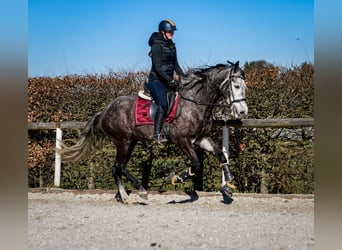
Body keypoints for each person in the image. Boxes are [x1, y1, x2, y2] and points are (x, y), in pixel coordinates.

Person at [145, 19, 185, 144]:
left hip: (168, 81)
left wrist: (185, 78)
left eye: (172, 31)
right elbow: (157, 67)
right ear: (162, 32)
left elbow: (176, 66)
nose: (171, 33)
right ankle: (157, 134)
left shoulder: (172, 46)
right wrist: (170, 80)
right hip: (156, 80)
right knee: (163, 104)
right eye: (169, 31)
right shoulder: (156, 46)